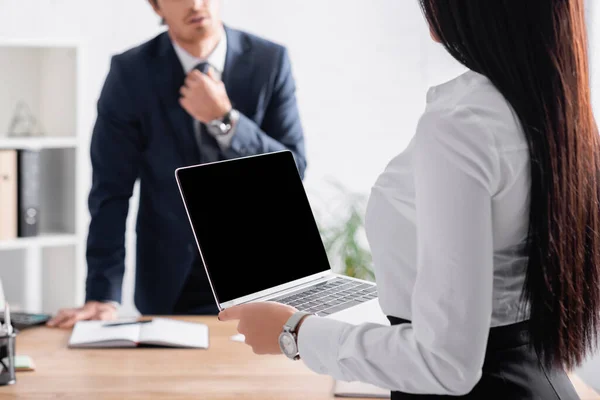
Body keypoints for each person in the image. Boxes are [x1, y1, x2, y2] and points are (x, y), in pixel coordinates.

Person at [218, 1, 600, 398]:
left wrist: (295, 332)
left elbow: (446, 363)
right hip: (537, 379)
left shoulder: (462, 125)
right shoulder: (559, 108)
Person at [47, 0, 306, 328]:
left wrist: (226, 120)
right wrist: (102, 294)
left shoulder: (270, 60)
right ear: (157, 7)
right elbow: (110, 191)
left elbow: (293, 171)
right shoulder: (130, 73)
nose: (195, 4)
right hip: (171, 280)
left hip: (263, 272)